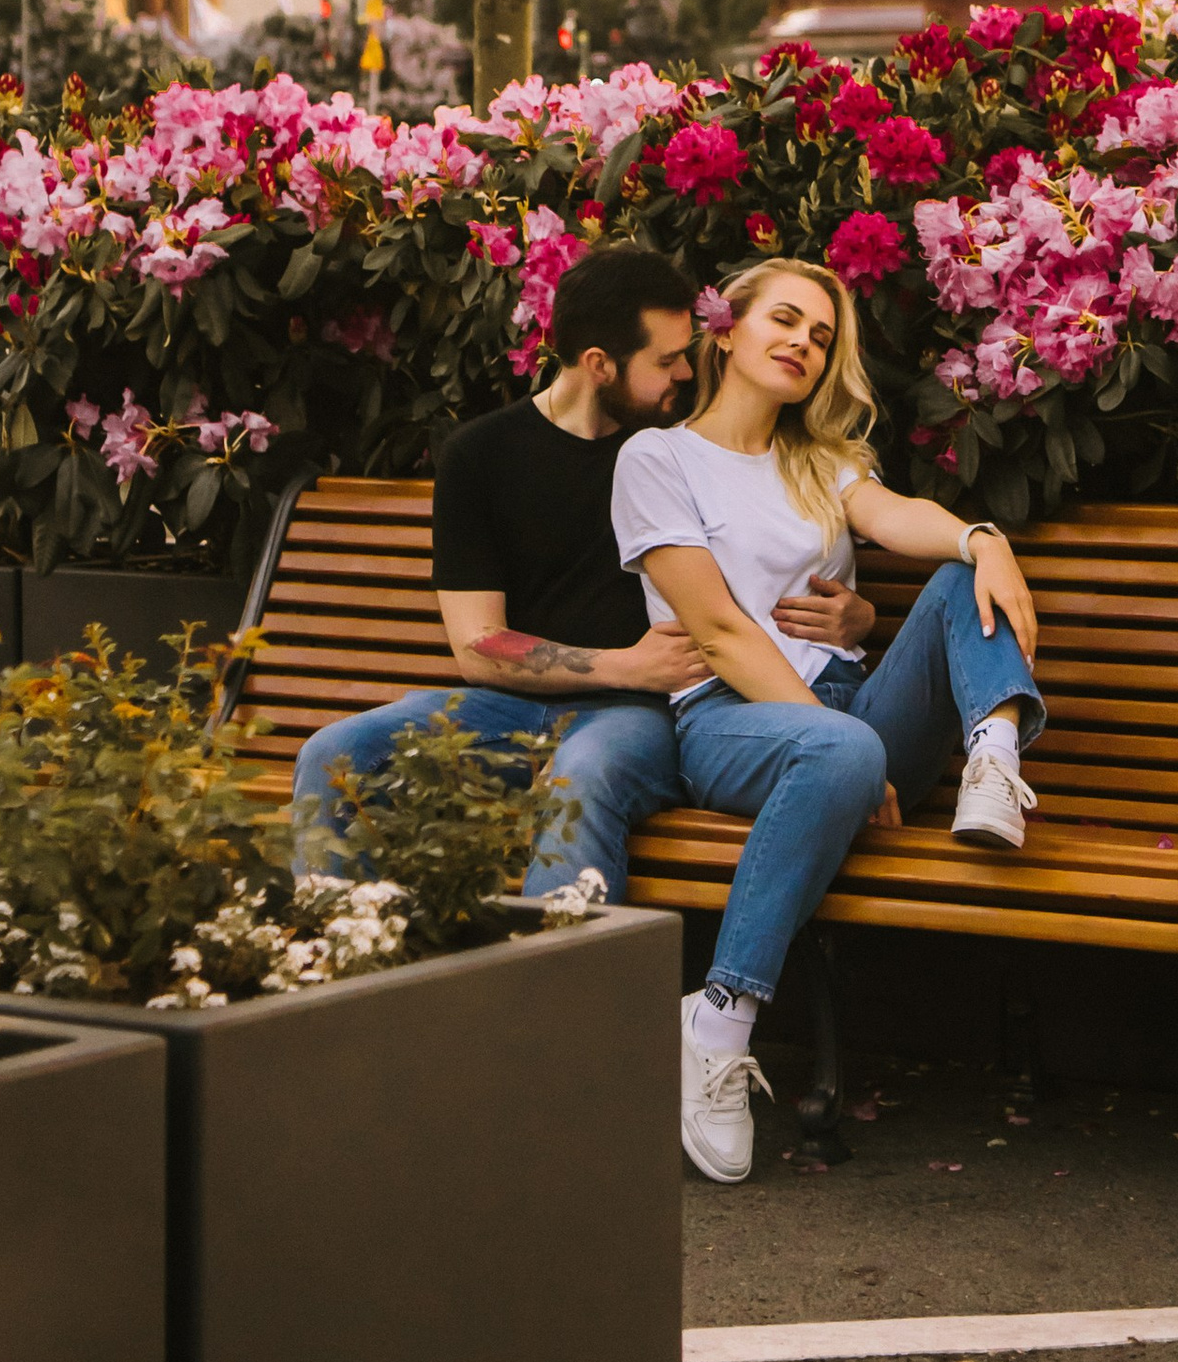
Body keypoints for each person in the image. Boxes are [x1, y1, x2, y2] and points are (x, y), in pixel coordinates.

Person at [612, 256, 1046, 1184]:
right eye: (784, 319)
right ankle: (721, 1021)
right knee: (838, 746)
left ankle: (995, 756)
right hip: (734, 724)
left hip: (848, 721)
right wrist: (843, 747)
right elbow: (723, 631)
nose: (803, 342)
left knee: (952, 577)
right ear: (723, 329)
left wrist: (984, 538)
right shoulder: (657, 459)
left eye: (820, 334)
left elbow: (893, 515)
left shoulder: (822, 460)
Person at [289, 242, 872, 898]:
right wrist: (625, 663)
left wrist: (858, 612)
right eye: (666, 360)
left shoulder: (687, 447)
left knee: (583, 769)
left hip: (640, 721)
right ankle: (338, 961)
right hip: (506, 710)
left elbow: (777, 548)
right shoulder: (481, 455)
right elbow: (478, 642)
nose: (688, 371)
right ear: (600, 364)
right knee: (333, 754)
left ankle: (558, 985)